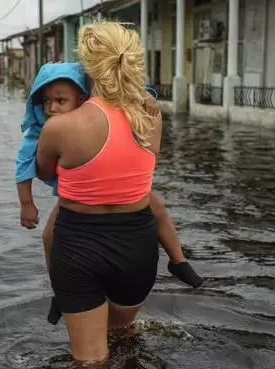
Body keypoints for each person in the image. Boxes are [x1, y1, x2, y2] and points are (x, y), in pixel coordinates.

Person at [33, 21, 202, 366]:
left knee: (91, 359)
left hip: (78, 245)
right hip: (137, 246)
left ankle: (59, 297)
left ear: (87, 66)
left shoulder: (59, 127)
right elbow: (143, 168)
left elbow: (44, 173)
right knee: (124, 333)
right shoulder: (150, 116)